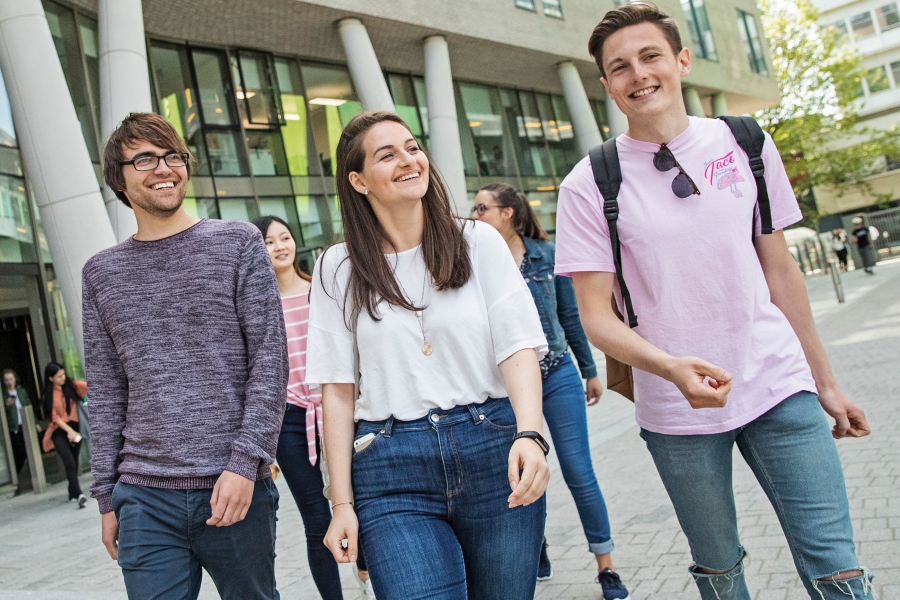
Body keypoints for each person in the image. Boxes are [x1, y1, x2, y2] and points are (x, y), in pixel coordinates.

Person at [553, 4, 873, 599]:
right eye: (619, 67)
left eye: (650, 56)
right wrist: (671, 368)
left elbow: (781, 274)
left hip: (778, 381)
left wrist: (824, 383)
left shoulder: (745, 142)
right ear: (606, 86)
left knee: (836, 563)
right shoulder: (588, 184)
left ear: (681, 60)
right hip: (677, 408)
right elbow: (594, 316)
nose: (638, 74)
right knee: (719, 568)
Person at [306, 111, 550, 600]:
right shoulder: (338, 267)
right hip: (390, 464)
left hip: (492, 447)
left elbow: (517, 345)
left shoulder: (478, 243)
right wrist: (341, 503)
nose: (408, 159)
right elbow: (336, 390)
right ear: (358, 181)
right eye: (387, 154)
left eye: (412, 147)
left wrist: (531, 433)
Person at [84, 112, 288, 599]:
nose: (164, 168)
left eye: (172, 156)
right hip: (144, 498)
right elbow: (108, 391)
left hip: (233, 488)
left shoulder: (238, 243)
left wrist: (244, 464)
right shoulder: (101, 274)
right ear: (119, 178)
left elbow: (269, 363)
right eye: (145, 159)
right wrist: (107, 497)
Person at [471, 183, 629, 599]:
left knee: (578, 470)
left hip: (557, 373)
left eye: (482, 208)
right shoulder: (474, 261)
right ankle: (534, 547)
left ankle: (606, 565)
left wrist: (590, 369)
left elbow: (569, 315)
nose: (475, 216)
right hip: (506, 385)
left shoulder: (546, 254)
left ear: (507, 213)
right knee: (516, 475)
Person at [252, 215, 375, 600]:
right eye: (269, 242)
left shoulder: (319, 290)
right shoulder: (257, 305)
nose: (279, 246)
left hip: (340, 410)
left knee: (362, 500)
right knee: (315, 518)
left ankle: (368, 571)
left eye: (284, 237)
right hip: (290, 420)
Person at [39, 362, 87, 507]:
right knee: (69, 461)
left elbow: (89, 386)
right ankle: (79, 494)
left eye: (63, 374)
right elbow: (55, 418)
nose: (63, 378)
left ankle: (72, 490)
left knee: (74, 460)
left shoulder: (71, 385)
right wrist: (70, 431)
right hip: (59, 430)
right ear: (51, 378)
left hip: (76, 426)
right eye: (59, 376)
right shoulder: (48, 395)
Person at [3, 368, 33, 496]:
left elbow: (28, 405)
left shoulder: (21, 392)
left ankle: (33, 479)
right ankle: (15, 479)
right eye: (6, 380)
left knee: (30, 452)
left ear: (15, 379)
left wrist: (35, 423)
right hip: (14, 427)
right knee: (19, 454)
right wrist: (7, 405)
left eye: (11, 379)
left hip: (25, 424)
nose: (9, 382)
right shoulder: (4, 395)